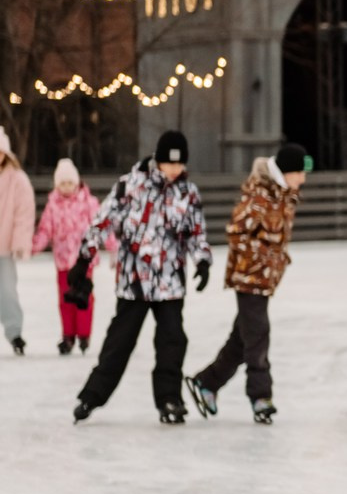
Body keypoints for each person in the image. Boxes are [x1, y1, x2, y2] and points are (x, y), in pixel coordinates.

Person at [68, 129, 211, 424]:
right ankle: (91, 397)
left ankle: (169, 400)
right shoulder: (131, 186)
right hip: (135, 282)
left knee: (173, 341)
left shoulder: (188, 193)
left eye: (179, 164)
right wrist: (84, 258)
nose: (174, 170)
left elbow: (197, 232)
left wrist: (203, 261)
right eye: (169, 164)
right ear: (158, 161)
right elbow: (102, 220)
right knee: (119, 342)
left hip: (170, 282)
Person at [185, 143, 309, 425]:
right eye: (300, 173)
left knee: (242, 339)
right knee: (258, 334)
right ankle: (260, 397)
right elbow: (235, 232)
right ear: (287, 172)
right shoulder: (259, 197)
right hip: (249, 277)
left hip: (263, 278)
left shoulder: (282, 195)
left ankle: (206, 384)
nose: (303, 179)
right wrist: (263, 257)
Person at [32, 159, 113, 354]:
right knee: (66, 299)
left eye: (70, 183)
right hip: (62, 261)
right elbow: (45, 229)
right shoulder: (53, 205)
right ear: (57, 185)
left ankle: (84, 334)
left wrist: (113, 246)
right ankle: (68, 336)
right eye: (63, 183)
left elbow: (101, 226)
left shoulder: (88, 203)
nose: (67, 187)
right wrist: (34, 246)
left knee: (84, 298)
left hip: (84, 261)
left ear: (77, 183)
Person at [0, 127, 35, 356]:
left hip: (4, 247)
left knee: (7, 291)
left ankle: (15, 333)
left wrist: (20, 242)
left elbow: (24, 213)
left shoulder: (17, 179)